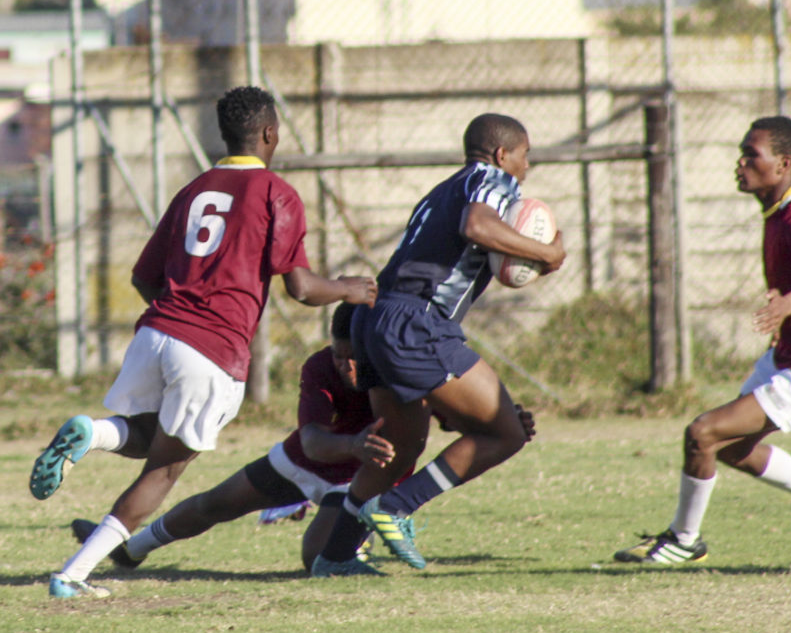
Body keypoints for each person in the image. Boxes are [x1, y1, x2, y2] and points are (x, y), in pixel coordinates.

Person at [32, 86, 377, 598]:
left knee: (148, 438)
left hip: (157, 331)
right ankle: (73, 575)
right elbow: (301, 288)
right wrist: (350, 288)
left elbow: (144, 276)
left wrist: (177, 310)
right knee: (166, 468)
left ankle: (96, 433)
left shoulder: (195, 188)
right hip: (212, 347)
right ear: (269, 133)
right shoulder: (275, 193)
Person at [614, 115, 791, 565]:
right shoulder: (776, 216)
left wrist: (786, 305)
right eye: (741, 152)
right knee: (732, 448)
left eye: (750, 155)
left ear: (782, 165)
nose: (739, 162)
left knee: (703, 433)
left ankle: (683, 541)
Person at [310, 112, 565, 577]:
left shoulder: (444, 188)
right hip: (417, 321)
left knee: (397, 450)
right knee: (506, 432)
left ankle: (336, 556)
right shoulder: (493, 180)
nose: (528, 167)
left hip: (378, 319)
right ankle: (397, 507)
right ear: (502, 154)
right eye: (526, 156)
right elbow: (476, 226)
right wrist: (546, 252)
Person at [68, 302, 394, 575]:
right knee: (213, 504)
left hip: (356, 479)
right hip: (303, 461)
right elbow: (311, 441)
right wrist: (353, 444)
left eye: (355, 358)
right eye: (339, 355)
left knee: (317, 558)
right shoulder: (319, 366)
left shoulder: (396, 369)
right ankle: (130, 550)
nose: (346, 367)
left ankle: (358, 540)